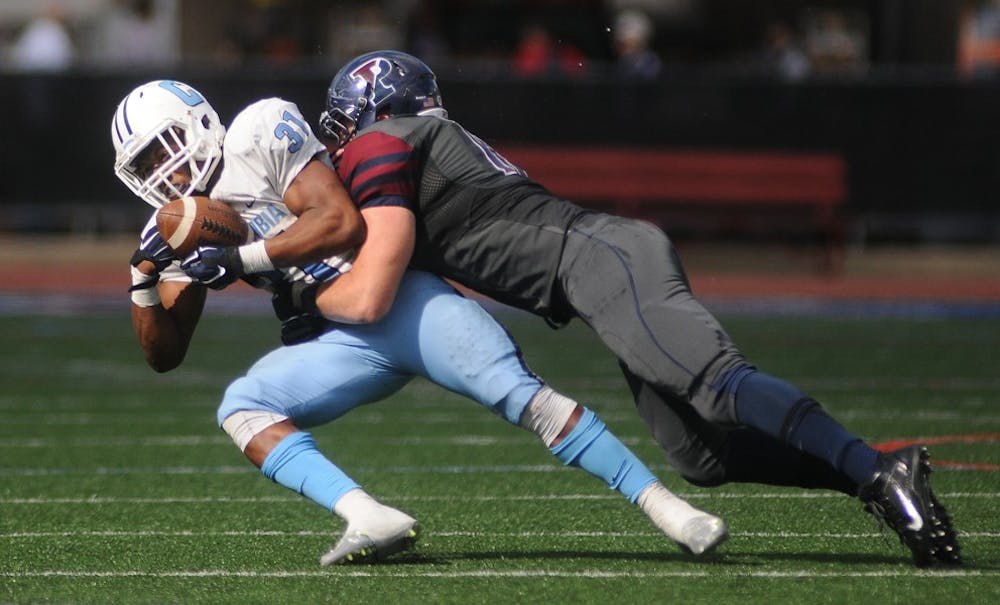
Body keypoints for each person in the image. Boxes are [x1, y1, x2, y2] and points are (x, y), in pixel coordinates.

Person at [308, 50, 960, 567]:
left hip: (601, 260)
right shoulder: (414, 151)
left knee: (714, 382)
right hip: (598, 269)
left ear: (376, 111)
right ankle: (869, 476)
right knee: (701, 457)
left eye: (342, 124)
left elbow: (374, 286)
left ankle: (878, 469)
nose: (337, 143)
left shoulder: (385, 142)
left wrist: (263, 260)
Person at [111, 80, 729, 565]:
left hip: (400, 301)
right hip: (341, 340)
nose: (165, 171)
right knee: (242, 407)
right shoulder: (174, 228)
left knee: (526, 400)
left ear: (196, 124)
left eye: (164, 147)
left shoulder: (256, 133)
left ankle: (668, 509)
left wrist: (242, 257)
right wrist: (143, 278)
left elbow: (339, 222)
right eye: (146, 163)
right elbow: (165, 354)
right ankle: (367, 514)